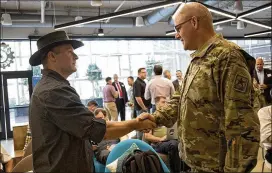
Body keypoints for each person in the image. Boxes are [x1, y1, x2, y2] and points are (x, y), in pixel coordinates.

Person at [139, 2, 260, 172]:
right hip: (198, 163)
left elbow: (242, 125)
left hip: (217, 166)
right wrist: (155, 118)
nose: (176, 35)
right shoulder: (199, 59)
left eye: (178, 28)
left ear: (194, 22)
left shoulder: (227, 57)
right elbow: (180, 99)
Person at [28, 31, 156, 172]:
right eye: (70, 51)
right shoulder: (53, 91)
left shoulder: (52, 87)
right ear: (52, 56)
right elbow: (97, 129)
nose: (76, 56)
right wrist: (136, 124)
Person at [143, 96, 190, 173]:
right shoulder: (152, 118)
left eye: (166, 102)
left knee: (184, 143)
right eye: (163, 102)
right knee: (174, 145)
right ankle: (175, 171)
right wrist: (161, 139)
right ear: (157, 104)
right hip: (158, 143)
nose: (166, 104)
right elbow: (147, 136)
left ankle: (187, 169)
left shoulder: (170, 117)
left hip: (172, 140)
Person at [133, 68, 151, 139]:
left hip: (145, 108)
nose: (145, 74)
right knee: (140, 127)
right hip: (141, 108)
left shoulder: (143, 82)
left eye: (145, 72)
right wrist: (144, 108)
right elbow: (138, 97)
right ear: (139, 74)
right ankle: (139, 144)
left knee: (144, 127)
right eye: (143, 72)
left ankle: (142, 142)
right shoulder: (137, 83)